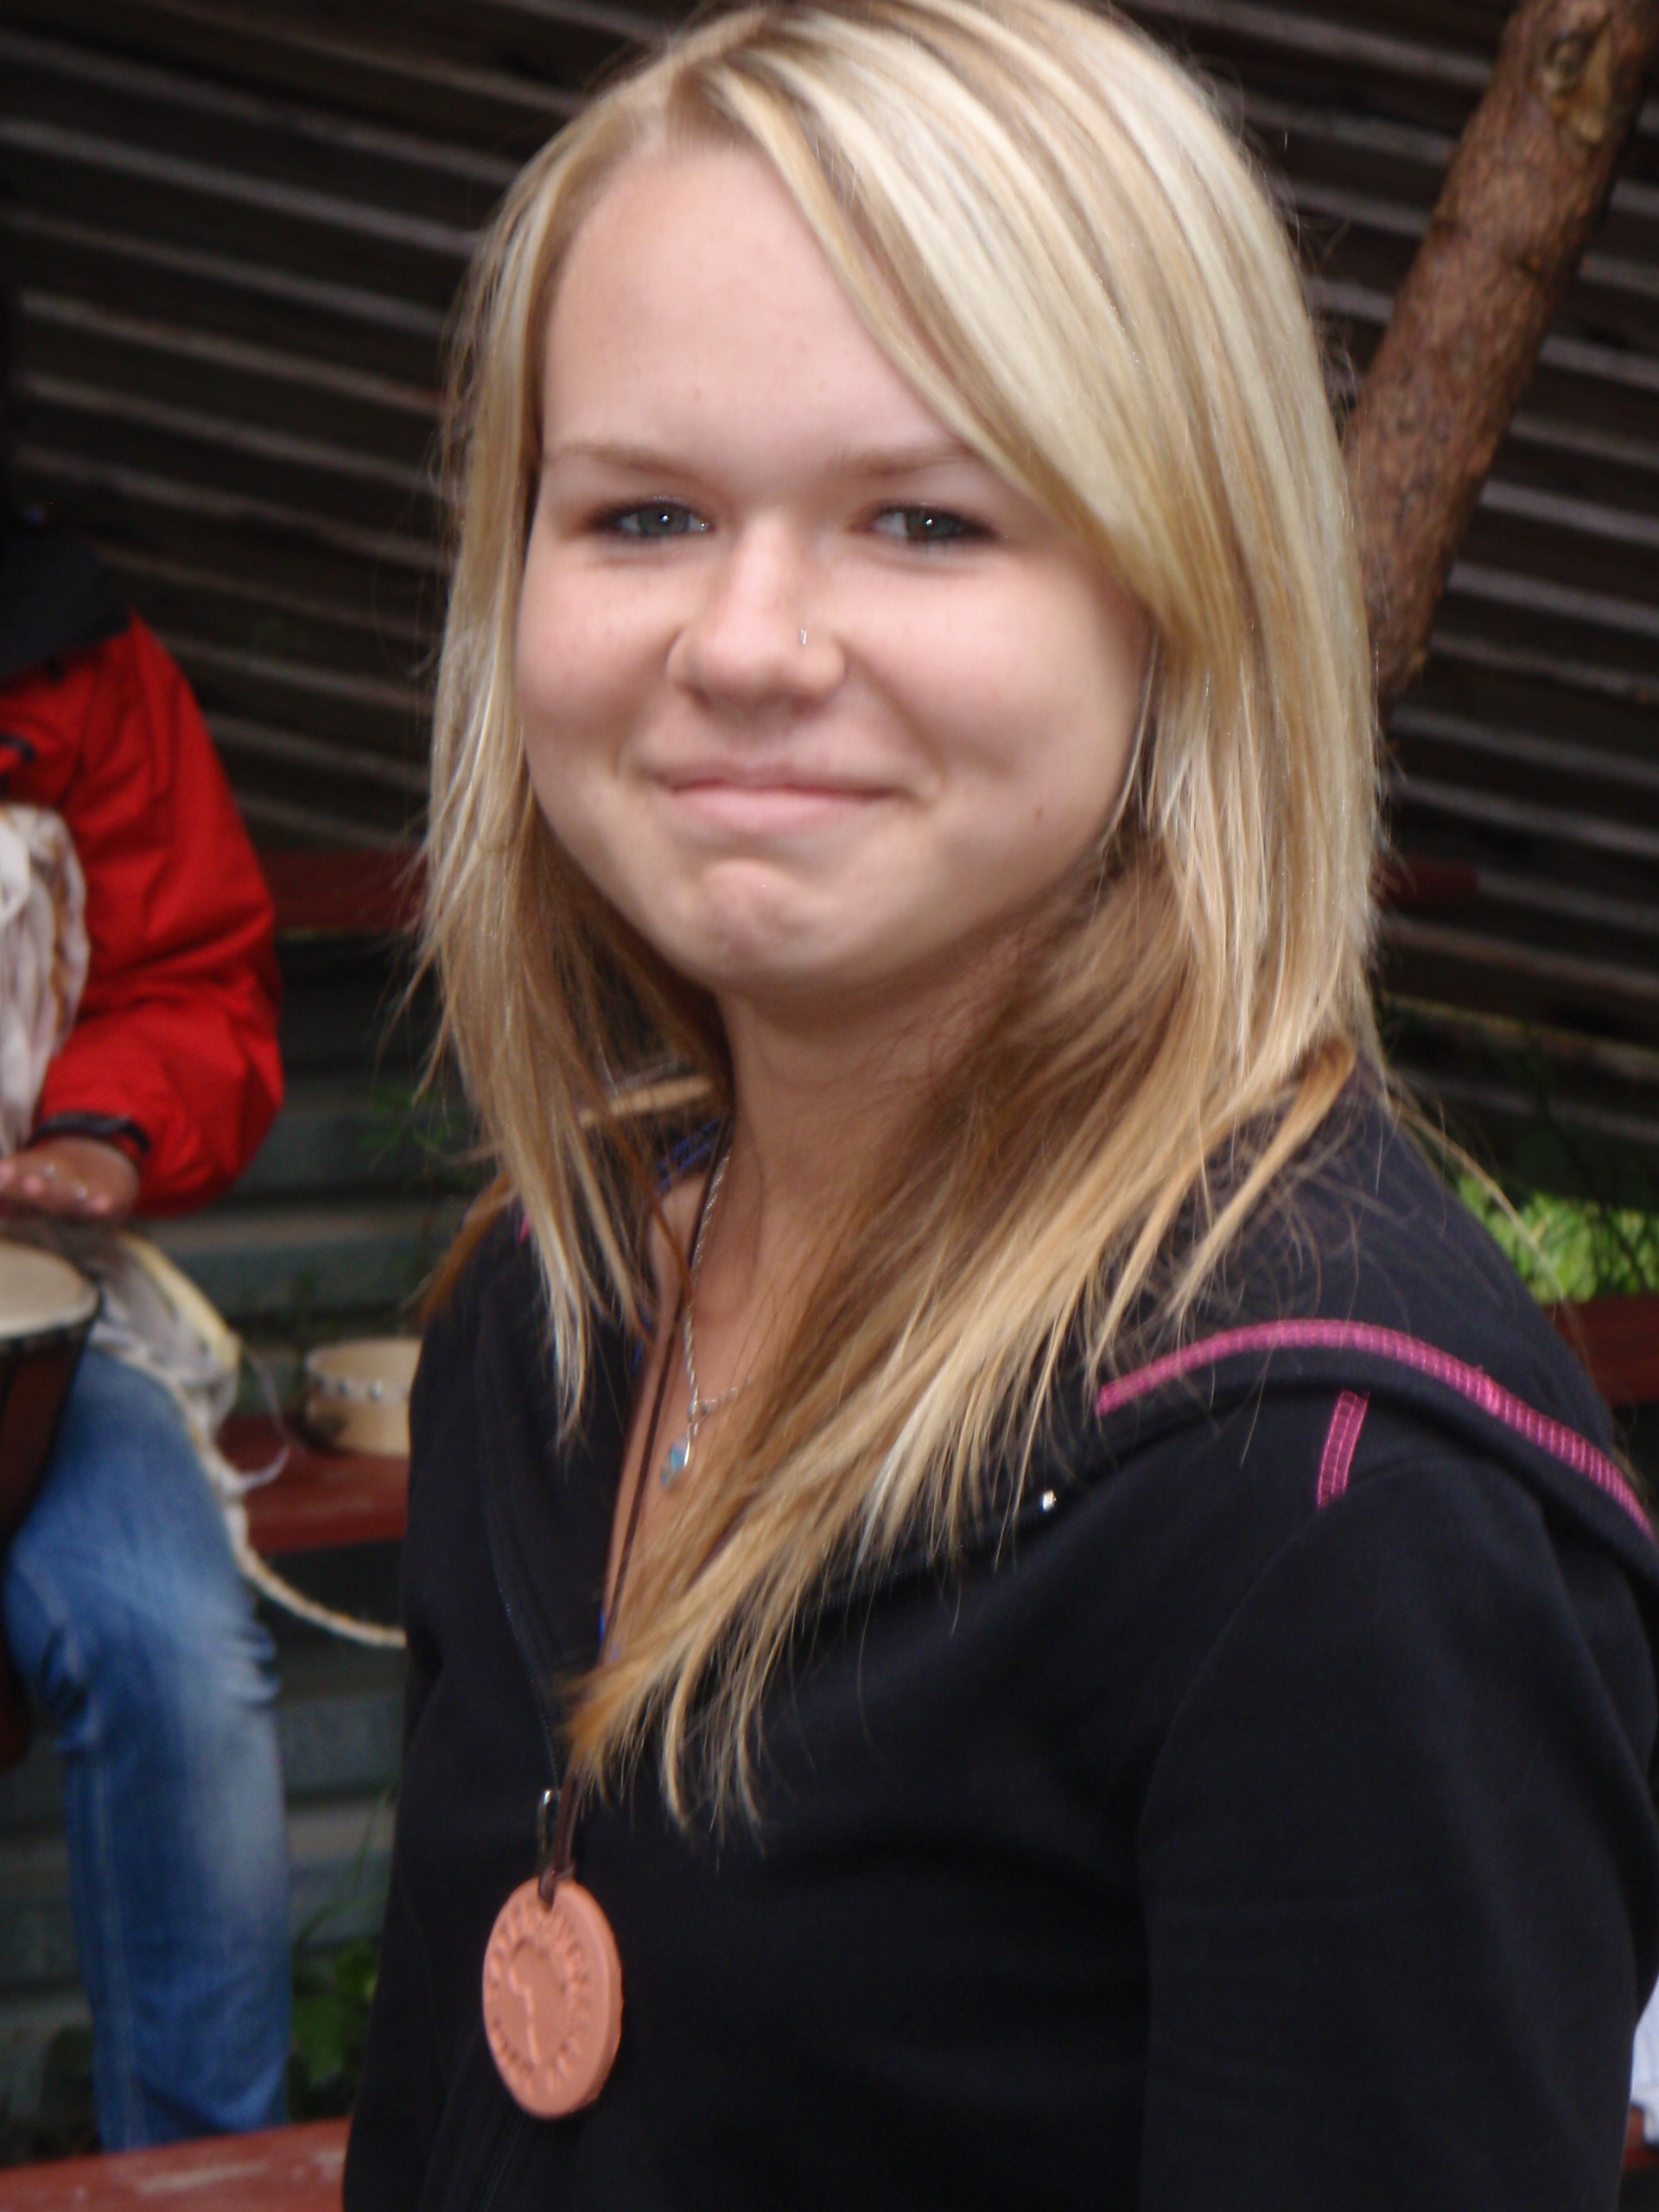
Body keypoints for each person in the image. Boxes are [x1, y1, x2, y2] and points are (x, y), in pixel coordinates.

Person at [345, 2, 1659, 2203]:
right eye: (643, 510)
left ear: (1183, 593)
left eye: (924, 520)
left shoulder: (1334, 1504)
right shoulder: (555, 1308)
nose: (748, 640)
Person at [0, 498, 291, 2144]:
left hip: (36, 1335)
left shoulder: (80, 665)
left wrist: (102, 1131)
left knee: (179, 1662)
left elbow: (193, 978)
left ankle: (199, 2172)